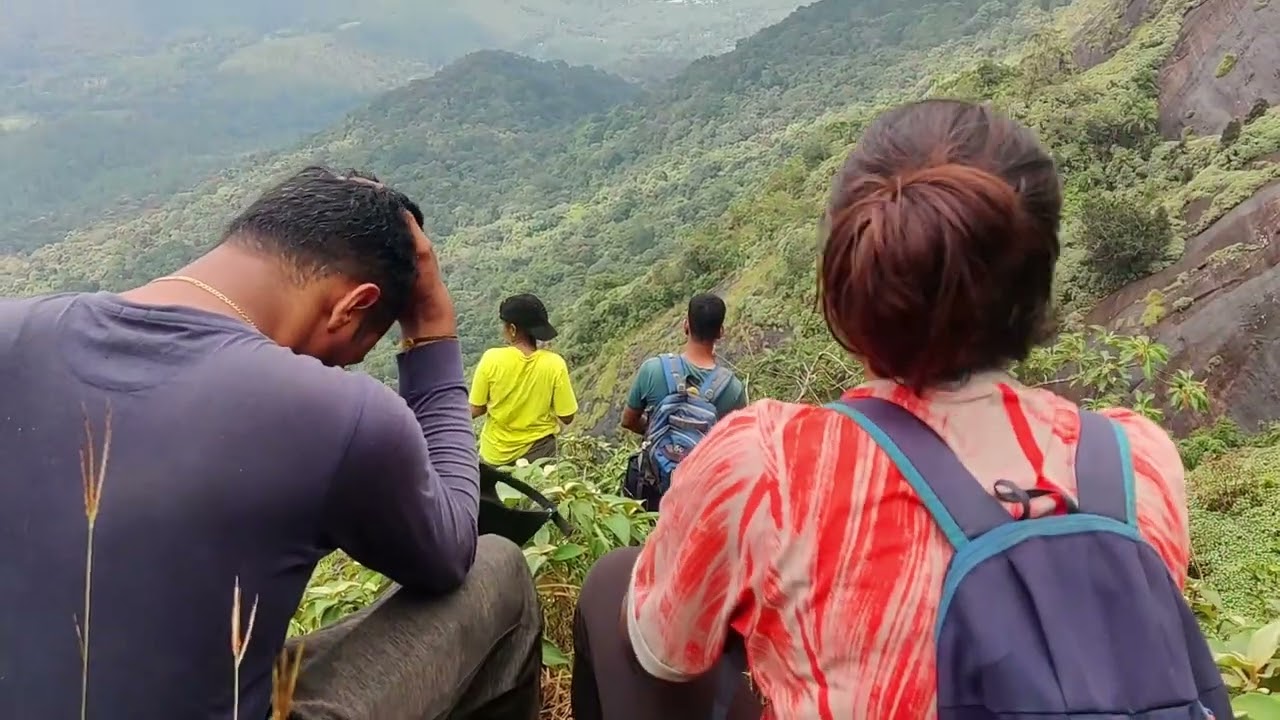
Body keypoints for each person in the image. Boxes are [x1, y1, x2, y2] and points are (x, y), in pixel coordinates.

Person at [571, 100, 1228, 720]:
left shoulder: (767, 466)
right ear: (1038, 277)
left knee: (613, 585)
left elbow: (664, 649)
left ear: (848, 280)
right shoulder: (1136, 460)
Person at [0, 167, 541, 720]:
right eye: (347, 352)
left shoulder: (11, 332)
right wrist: (431, 330)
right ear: (352, 305)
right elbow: (452, 550)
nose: (331, 367)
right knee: (500, 573)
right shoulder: (336, 412)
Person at [469, 293, 578, 466]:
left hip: (495, 457)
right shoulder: (554, 364)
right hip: (541, 457)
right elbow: (567, 417)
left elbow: (476, 409)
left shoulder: (491, 359)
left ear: (512, 329)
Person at [620, 293, 747, 438]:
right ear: (720, 332)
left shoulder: (652, 370)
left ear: (686, 325)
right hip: (703, 460)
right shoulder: (733, 389)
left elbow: (628, 421)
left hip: (657, 459)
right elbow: (736, 442)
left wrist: (659, 431)